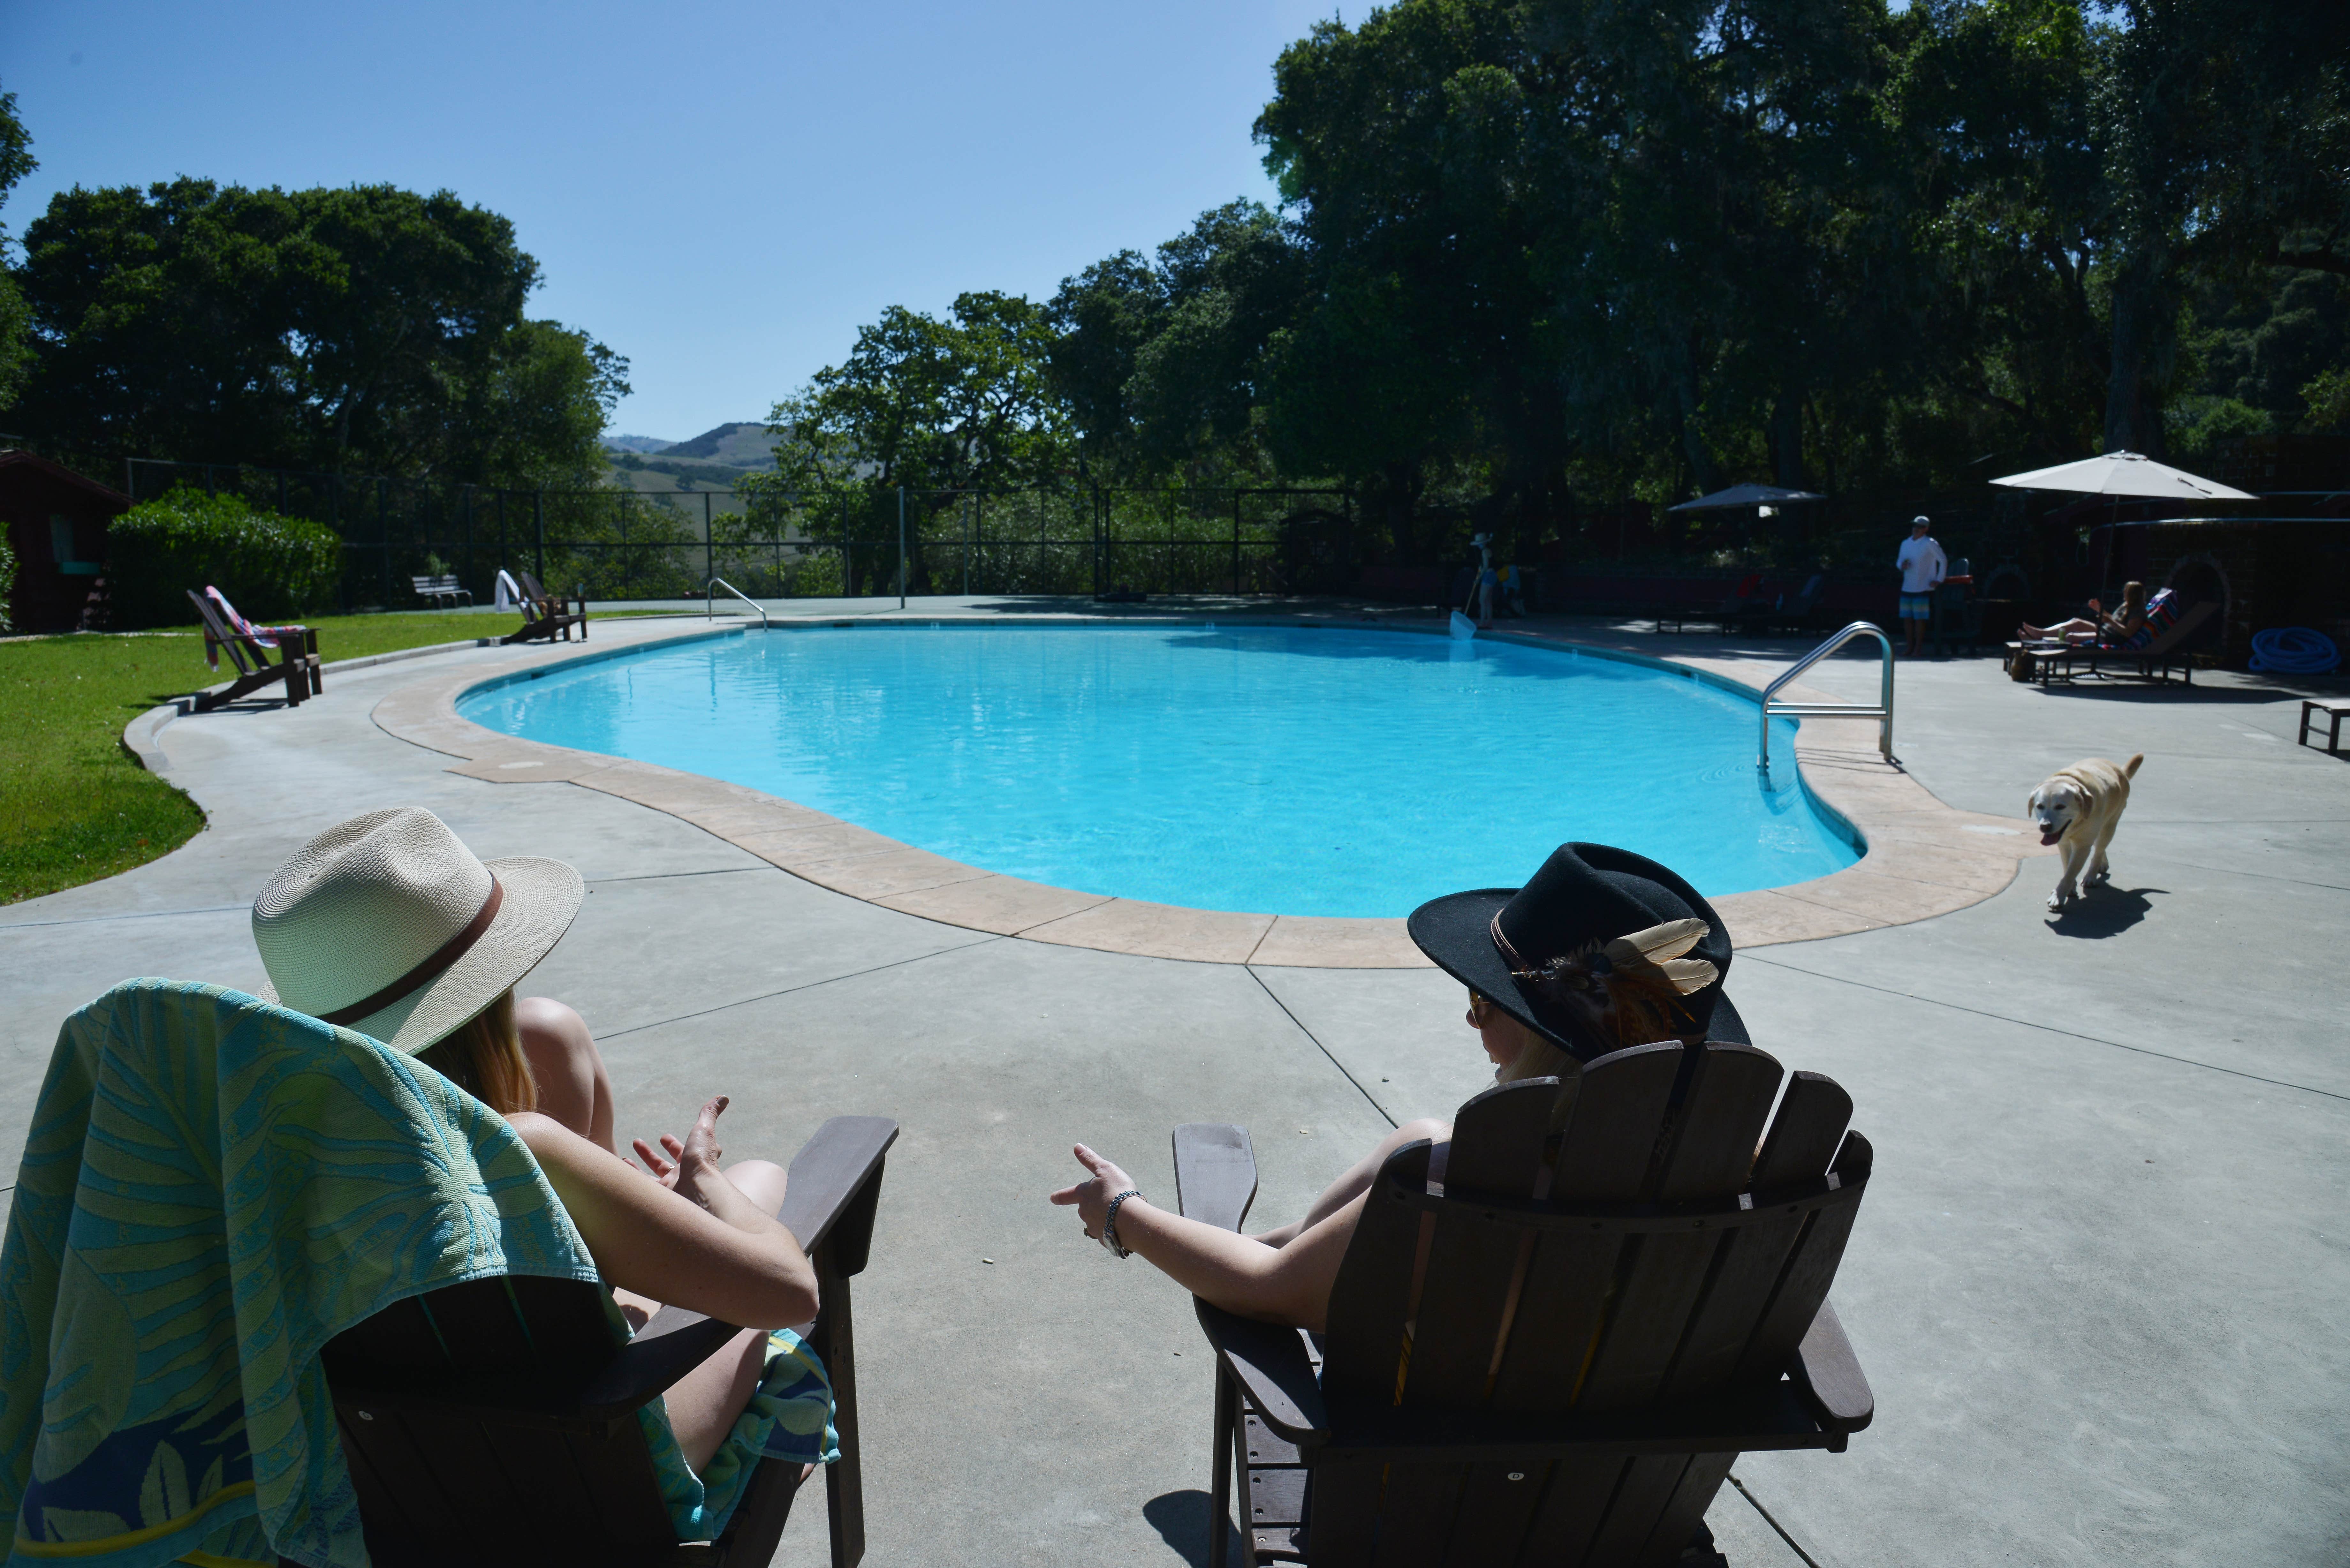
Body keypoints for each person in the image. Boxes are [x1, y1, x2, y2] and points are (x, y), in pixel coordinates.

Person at [249, 806, 819, 1472]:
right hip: (593, 1473)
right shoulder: (516, 1148)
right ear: (488, 993)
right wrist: (710, 1188)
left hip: (392, 1481)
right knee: (762, 1181)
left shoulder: (276, 1151)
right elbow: (791, 1290)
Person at [1049, 842, 1752, 1333]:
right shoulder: (1722, 1183)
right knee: (1419, 1138)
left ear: (1547, 1037)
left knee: (1419, 1159)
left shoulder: (1465, 1189)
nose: (1469, 1016)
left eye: (1484, 1002)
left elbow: (1268, 1298)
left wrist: (1123, 1215)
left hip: (1436, 1481)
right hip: (1617, 1488)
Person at [2020, 580, 2152, 649]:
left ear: (2133, 595)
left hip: (2111, 638)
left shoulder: (2138, 611)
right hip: (2105, 631)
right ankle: (2040, 634)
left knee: (2071, 637)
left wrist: (2110, 622)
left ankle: (2042, 645)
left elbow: (2128, 633)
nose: (2124, 593)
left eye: (2126, 591)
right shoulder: (2126, 605)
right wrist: (2100, 610)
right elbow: (2113, 619)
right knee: (2076, 621)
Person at [1895, 515, 1946, 657]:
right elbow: (1899, 562)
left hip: (1923, 587)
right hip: (1907, 587)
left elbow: (1943, 560)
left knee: (1920, 620)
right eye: (1915, 526)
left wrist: (1939, 579)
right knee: (1907, 619)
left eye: (1920, 527)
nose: (1916, 529)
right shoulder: (1905, 543)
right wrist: (1902, 566)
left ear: (1926, 529)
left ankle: (1918, 649)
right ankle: (1909, 647)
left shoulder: (1930, 543)